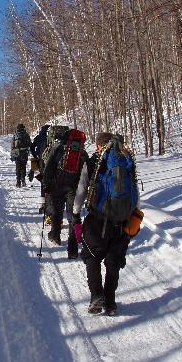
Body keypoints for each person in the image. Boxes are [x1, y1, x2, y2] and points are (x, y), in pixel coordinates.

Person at [73, 132, 140, 315]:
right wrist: (134, 213)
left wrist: (75, 212)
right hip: (122, 219)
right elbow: (133, 189)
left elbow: (81, 189)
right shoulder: (127, 159)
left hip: (98, 219)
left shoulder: (94, 161)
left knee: (91, 256)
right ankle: (110, 301)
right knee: (113, 261)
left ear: (98, 146)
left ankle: (96, 296)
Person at [41, 128, 88, 259]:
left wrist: (46, 184)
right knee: (73, 215)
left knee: (56, 211)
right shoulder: (82, 153)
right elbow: (86, 173)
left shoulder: (59, 149)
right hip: (74, 188)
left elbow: (49, 167)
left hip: (57, 185)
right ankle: (73, 249)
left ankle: (55, 236)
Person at [30, 124, 50, 213]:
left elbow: (31, 147)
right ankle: (51, 203)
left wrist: (35, 156)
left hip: (41, 161)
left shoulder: (38, 137)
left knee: (43, 182)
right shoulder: (51, 138)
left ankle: (42, 205)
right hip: (52, 161)